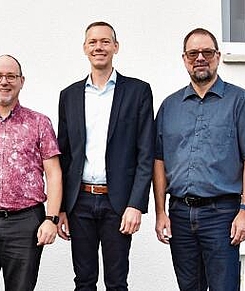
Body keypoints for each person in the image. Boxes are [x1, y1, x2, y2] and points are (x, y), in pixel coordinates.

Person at [153, 28, 245, 291]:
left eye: (207, 52)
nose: (200, 58)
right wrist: (161, 212)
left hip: (222, 216)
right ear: (184, 58)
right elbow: (158, 161)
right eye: (193, 53)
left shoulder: (240, 100)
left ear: (217, 56)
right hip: (180, 214)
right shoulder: (169, 106)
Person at [56, 21, 154, 290]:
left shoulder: (138, 91)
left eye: (105, 41)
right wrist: (62, 208)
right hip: (81, 202)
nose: (99, 47)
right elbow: (63, 156)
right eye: (92, 42)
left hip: (118, 203)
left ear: (115, 47)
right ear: (85, 49)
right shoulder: (69, 96)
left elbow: (146, 154)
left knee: (117, 281)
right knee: (84, 281)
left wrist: (136, 205)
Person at [0, 55, 63, 291]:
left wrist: (51, 219)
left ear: (21, 81)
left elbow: (54, 174)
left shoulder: (39, 123)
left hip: (25, 223)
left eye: (11, 76)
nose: (4, 81)